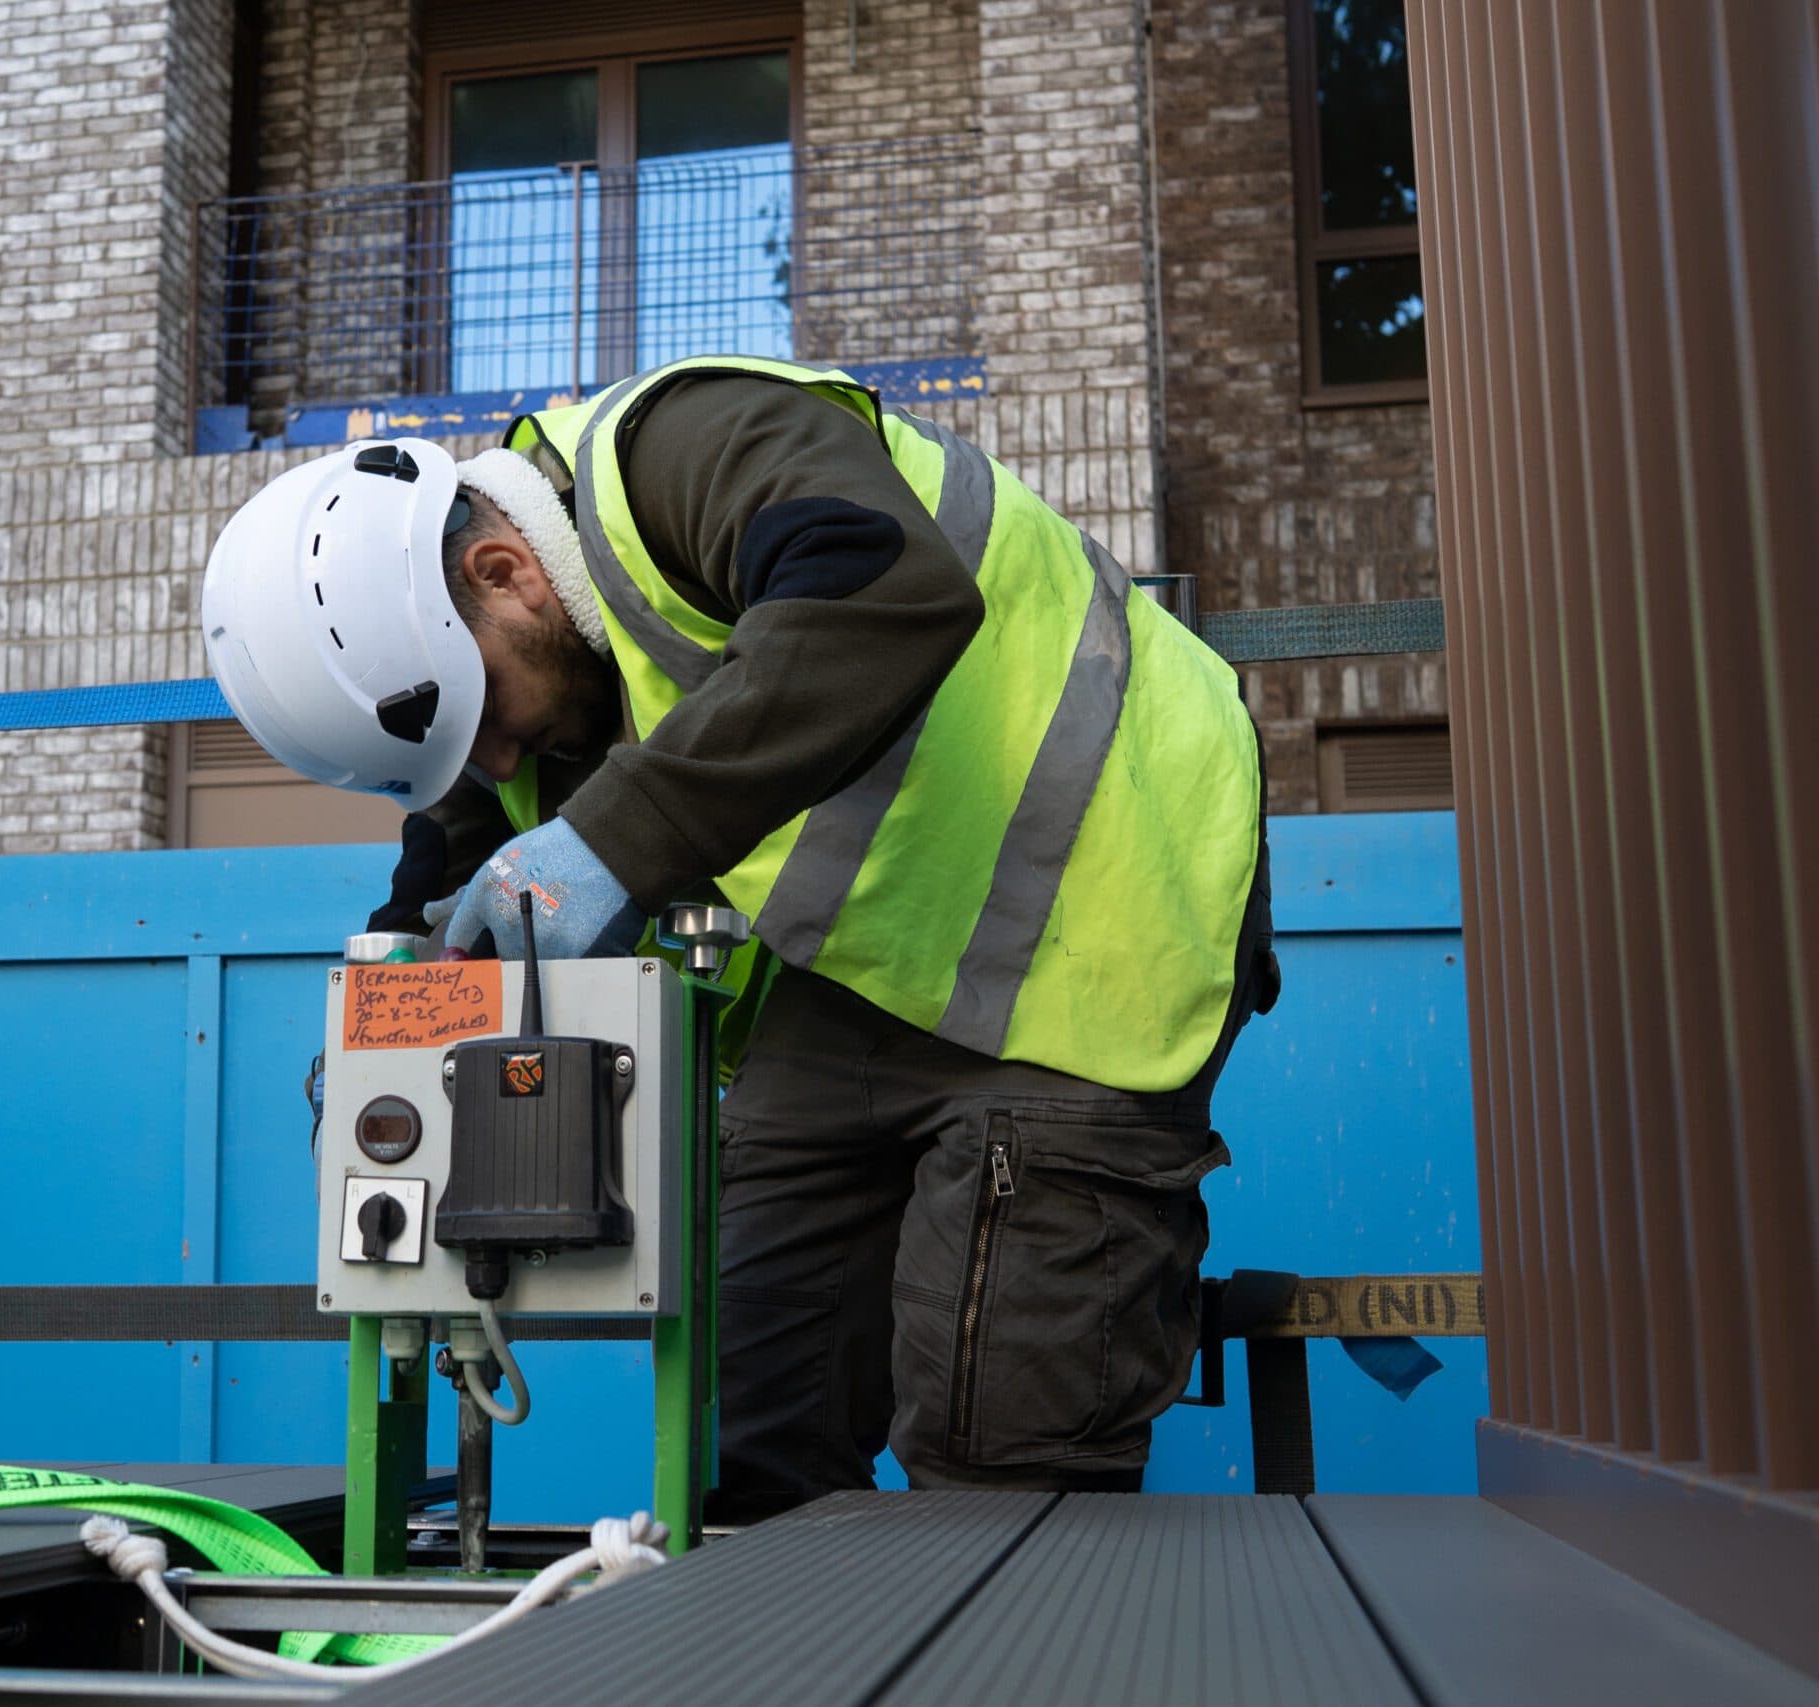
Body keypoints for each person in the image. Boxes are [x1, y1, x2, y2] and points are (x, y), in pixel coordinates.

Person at [201, 356, 1277, 1518]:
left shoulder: (687, 446)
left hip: (1094, 919)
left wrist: (616, 841)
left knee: (1003, 1452)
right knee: (758, 1434)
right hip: (861, 977)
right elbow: (447, 879)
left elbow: (880, 595)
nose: (502, 769)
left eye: (489, 723)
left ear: (502, 570)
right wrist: (386, 1039)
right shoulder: (515, 685)